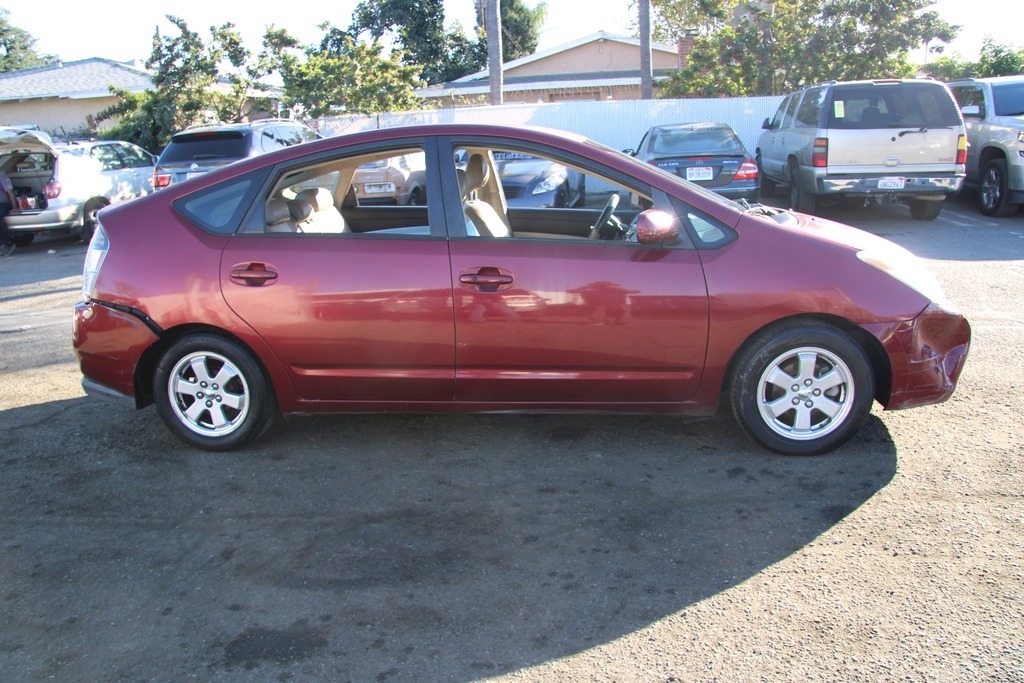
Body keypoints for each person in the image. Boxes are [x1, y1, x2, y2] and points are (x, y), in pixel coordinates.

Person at [0, 167, 17, 255]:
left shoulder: (2, 174)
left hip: (3, 204)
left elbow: (10, 192)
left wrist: (15, 207)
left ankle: (6, 244)